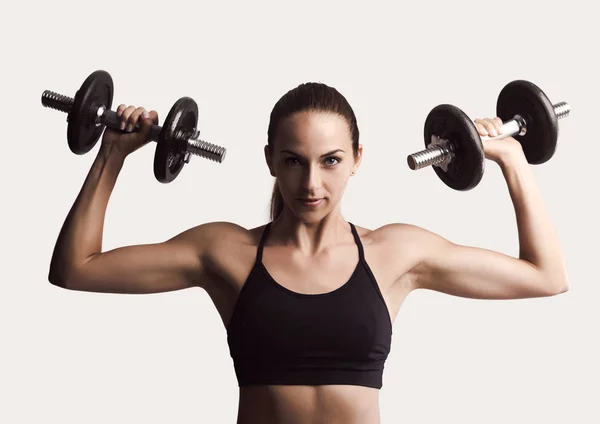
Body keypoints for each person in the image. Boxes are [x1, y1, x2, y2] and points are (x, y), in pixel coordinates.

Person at [48, 81, 570, 424]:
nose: (312, 183)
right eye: (295, 161)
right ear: (271, 159)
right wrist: (112, 154)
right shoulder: (226, 251)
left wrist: (512, 159)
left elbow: (545, 276)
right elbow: (76, 268)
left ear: (357, 160)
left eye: (331, 160)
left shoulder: (396, 252)